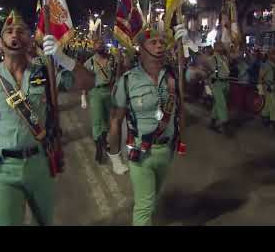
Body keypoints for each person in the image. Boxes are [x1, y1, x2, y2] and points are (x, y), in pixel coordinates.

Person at [0, 10, 94, 226]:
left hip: (40, 164)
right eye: (9, 32)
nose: (15, 36)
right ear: (1, 43)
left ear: (30, 40)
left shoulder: (45, 72)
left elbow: (87, 82)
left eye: (21, 31)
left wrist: (64, 59)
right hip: (1, 170)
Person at [108, 23, 188, 226]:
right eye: (154, 42)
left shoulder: (173, 76)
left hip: (166, 151)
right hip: (141, 151)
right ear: (141, 50)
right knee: (143, 208)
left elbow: (202, 73)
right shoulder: (127, 81)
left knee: (152, 201)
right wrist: (115, 156)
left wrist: (186, 46)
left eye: (162, 42)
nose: (160, 46)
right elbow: (116, 120)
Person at [83, 38, 128, 174]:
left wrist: (122, 62)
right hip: (96, 92)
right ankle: (99, 147)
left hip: (110, 91)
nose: (100, 46)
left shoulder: (112, 60)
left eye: (101, 44)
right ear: (93, 47)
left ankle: (109, 143)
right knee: (97, 121)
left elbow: (120, 74)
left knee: (111, 121)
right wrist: (83, 96)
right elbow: (85, 80)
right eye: (97, 44)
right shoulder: (89, 62)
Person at [203, 42, 232, 136]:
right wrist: (207, 87)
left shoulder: (225, 58)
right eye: (220, 46)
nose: (222, 47)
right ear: (215, 47)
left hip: (226, 82)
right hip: (216, 83)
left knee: (218, 103)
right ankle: (225, 124)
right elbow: (205, 73)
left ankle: (212, 122)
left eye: (222, 46)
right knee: (222, 103)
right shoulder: (210, 59)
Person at [257, 48, 275, 134]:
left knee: (268, 104)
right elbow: (260, 77)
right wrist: (260, 90)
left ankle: (264, 117)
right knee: (273, 105)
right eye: (274, 54)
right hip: (269, 86)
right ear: (270, 55)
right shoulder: (265, 65)